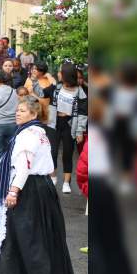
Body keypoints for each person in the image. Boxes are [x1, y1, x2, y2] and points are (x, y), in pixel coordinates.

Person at [0, 96, 75, 274]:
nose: (17, 113)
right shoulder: (40, 132)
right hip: (42, 187)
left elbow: (24, 165)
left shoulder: (27, 135)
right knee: (40, 237)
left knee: (18, 236)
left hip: (28, 188)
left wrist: (13, 191)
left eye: (22, 110)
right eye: (17, 110)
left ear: (34, 114)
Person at [42, 62, 88, 193]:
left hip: (69, 124)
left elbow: (83, 113)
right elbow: (40, 92)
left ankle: (67, 183)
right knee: (52, 152)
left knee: (67, 154)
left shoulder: (80, 92)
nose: (58, 74)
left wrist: (79, 131)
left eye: (60, 72)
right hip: (54, 123)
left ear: (66, 75)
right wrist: (49, 80)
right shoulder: (56, 87)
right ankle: (53, 176)